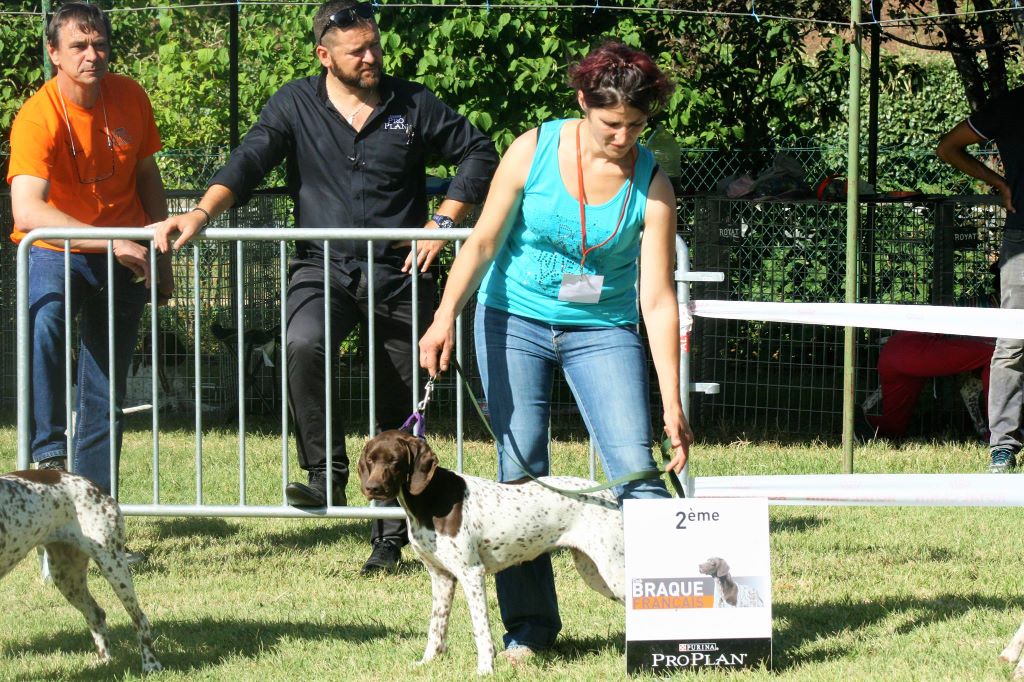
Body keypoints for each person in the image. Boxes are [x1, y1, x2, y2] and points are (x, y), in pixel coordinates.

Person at [152, 0, 498, 574]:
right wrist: (200, 212)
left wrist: (444, 220)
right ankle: (325, 473)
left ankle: (390, 539)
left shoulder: (413, 102)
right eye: (357, 51)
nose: (371, 58)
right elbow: (249, 160)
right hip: (322, 265)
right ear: (324, 55)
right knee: (302, 342)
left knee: (397, 397)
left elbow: (479, 151)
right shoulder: (294, 103)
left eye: (374, 46)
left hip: (399, 271)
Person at [419, 42, 692, 662]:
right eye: (611, 123)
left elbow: (656, 299)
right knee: (521, 476)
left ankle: (671, 623)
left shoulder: (652, 184)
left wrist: (672, 402)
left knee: (634, 467)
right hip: (511, 317)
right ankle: (530, 631)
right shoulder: (533, 149)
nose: (623, 138)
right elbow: (483, 242)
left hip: (603, 328)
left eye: (636, 126)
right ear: (583, 103)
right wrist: (443, 317)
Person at [7, 2, 170, 495]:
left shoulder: (130, 95)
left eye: (99, 44)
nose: (91, 55)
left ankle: (94, 502)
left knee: (105, 387)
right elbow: (27, 211)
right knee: (45, 326)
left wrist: (161, 254)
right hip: (56, 251)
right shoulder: (37, 116)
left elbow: (147, 176)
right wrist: (111, 239)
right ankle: (48, 452)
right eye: (78, 45)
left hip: (126, 255)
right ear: (54, 53)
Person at [937, 84, 1023, 472]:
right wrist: (998, 183)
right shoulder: (1011, 104)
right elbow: (948, 147)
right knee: (1012, 342)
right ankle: (1002, 447)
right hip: (1021, 237)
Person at [859, 331, 994, 440]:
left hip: (893, 350)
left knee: (893, 428)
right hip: (916, 347)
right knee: (995, 354)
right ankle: (998, 431)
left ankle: (853, 425)